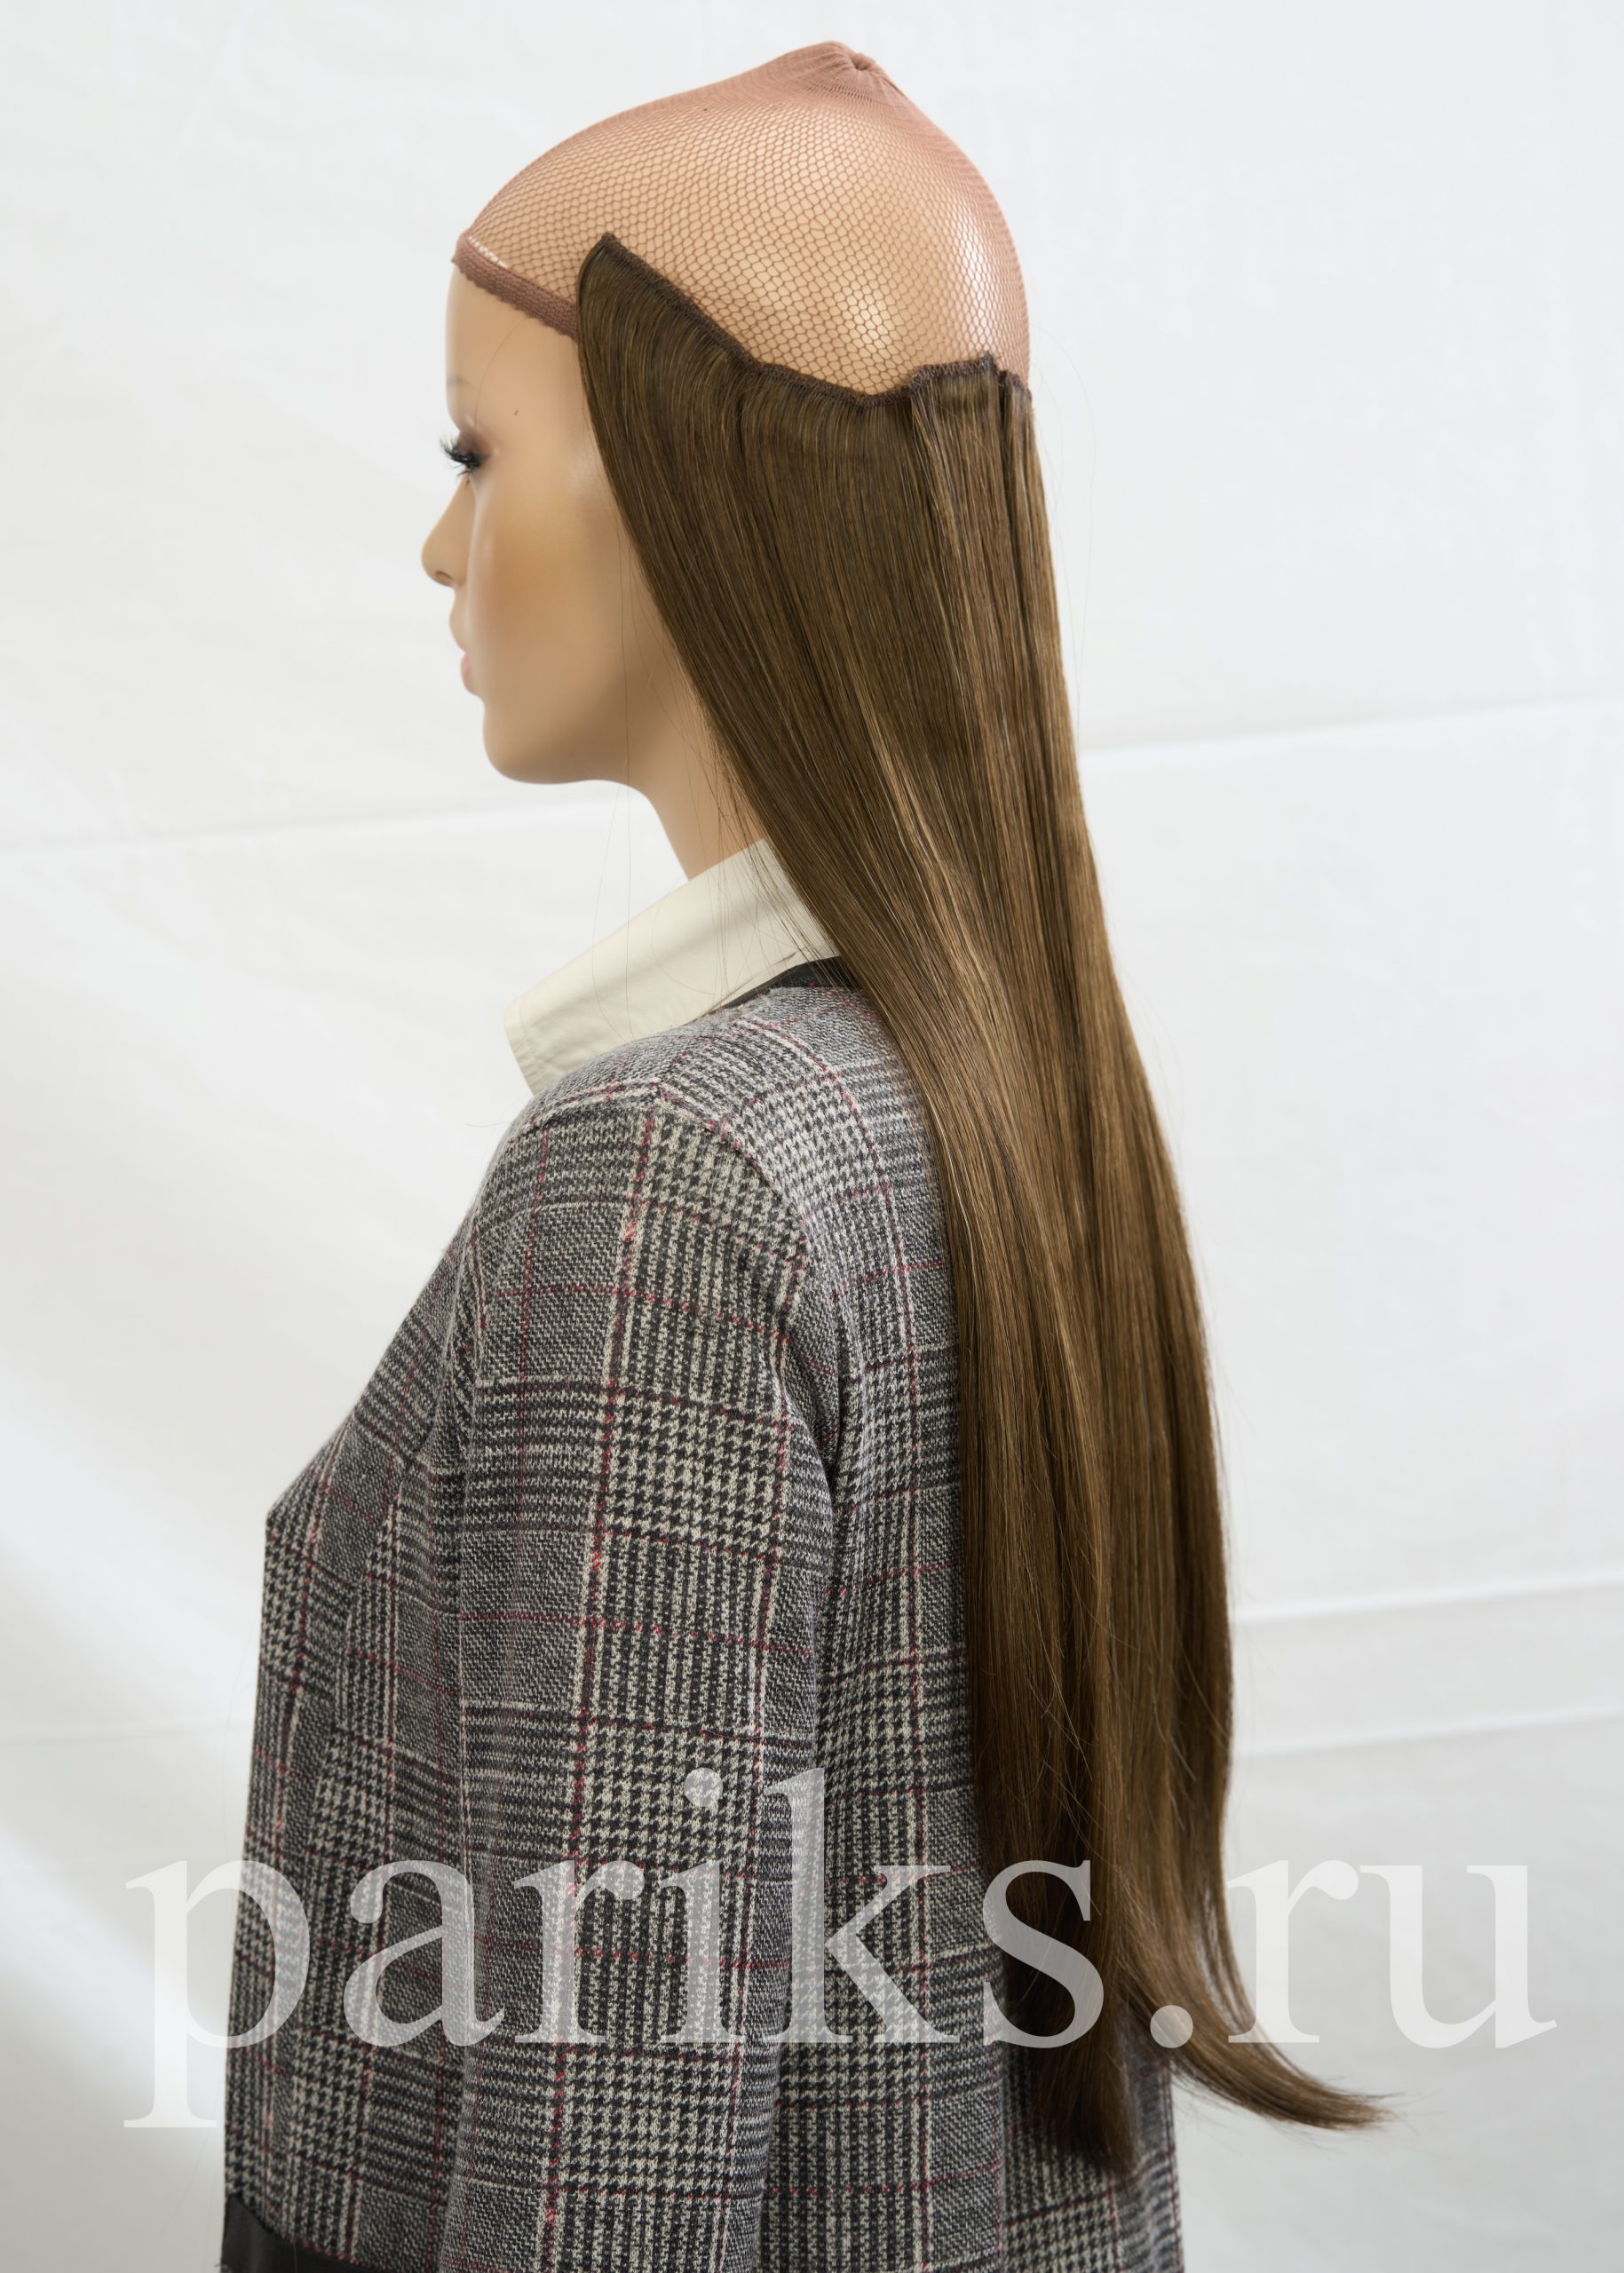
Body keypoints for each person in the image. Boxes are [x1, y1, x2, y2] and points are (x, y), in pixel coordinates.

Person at [219, 41, 1385, 2273]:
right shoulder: (979, 1089)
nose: (442, 541)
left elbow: (612, 2150)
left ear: (682, 487)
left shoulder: (665, 1175)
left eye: (477, 452)